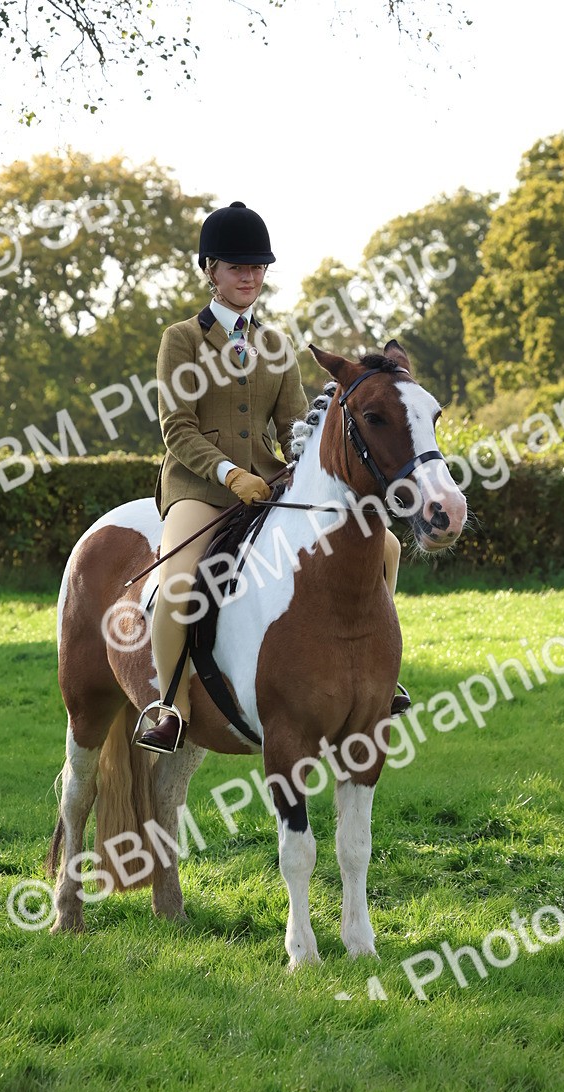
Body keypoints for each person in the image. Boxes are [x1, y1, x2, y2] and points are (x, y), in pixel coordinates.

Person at [135, 201, 407, 755]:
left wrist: (300, 458)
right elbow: (176, 427)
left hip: (269, 488)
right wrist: (229, 474)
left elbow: (291, 424)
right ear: (210, 269)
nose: (249, 276)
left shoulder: (276, 344)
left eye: (257, 267)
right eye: (237, 266)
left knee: (390, 548)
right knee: (179, 584)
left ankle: (377, 674)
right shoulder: (181, 339)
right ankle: (171, 705)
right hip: (199, 489)